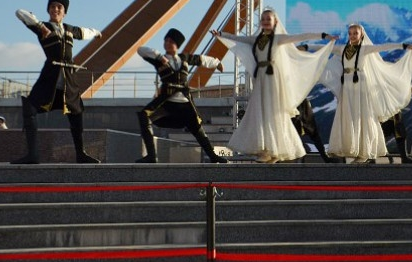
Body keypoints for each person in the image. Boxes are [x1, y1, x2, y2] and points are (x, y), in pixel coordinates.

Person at [214, 9, 336, 163]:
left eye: (269, 19)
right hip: (261, 80)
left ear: (275, 22)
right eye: (263, 18)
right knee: (260, 113)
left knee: (274, 113)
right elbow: (239, 39)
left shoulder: (279, 39)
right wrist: (221, 34)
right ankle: (265, 150)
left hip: (273, 80)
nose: (265, 21)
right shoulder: (256, 39)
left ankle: (274, 150)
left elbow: (300, 36)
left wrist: (324, 36)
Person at [12, 0, 102, 164]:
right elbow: (19, 13)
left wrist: (97, 32)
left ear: (64, 12)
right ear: (48, 10)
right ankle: (33, 155)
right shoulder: (41, 27)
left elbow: (86, 32)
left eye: (59, 7)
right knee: (30, 108)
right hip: (50, 78)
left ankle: (81, 154)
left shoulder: (70, 29)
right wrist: (40, 25)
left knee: (76, 114)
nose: (55, 9)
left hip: (68, 79)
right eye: (52, 6)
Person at [319, 23, 412, 163]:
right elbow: (326, 49)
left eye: (355, 33)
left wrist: (403, 46)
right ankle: (353, 149)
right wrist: (307, 48)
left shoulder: (364, 49)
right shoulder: (342, 49)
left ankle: (363, 153)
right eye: (350, 33)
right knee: (348, 116)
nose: (352, 36)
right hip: (347, 86)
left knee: (361, 116)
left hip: (360, 85)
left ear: (361, 34)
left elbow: (383, 47)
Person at [135, 28, 230, 163]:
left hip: (184, 101)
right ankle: (151, 156)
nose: (167, 43)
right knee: (144, 115)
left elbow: (202, 59)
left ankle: (213, 156)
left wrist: (217, 63)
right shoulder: (158, 60)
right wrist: (158, 55)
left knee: (196, 127)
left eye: (171, 41)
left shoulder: (184, 58)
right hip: (166, 101)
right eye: (166, 40)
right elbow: (140, 50)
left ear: (177, 45)